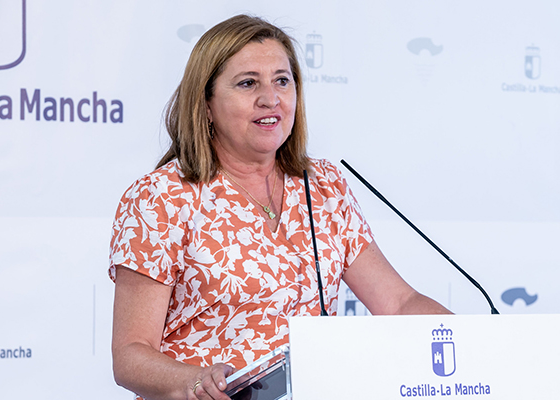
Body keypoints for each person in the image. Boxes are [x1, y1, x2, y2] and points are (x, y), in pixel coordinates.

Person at [109, 14, 450, 400]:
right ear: (205, 104)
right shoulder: (161, 198)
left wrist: (477, 343)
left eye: (282, 81)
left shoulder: (324, 186)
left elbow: (399, 303)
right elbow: (131, 354)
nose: (270, 98)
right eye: (248, 83)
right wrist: (194, 381)